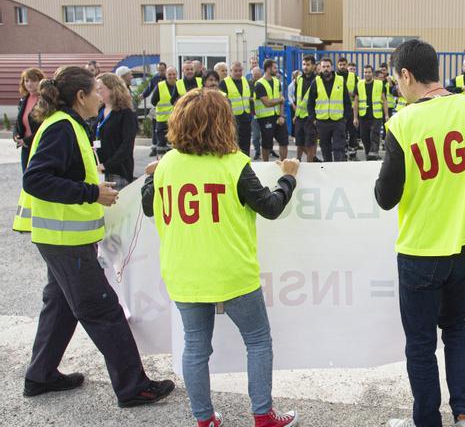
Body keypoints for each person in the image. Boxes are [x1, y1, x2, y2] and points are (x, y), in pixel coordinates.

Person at [13, 66, 175, 408]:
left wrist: (93, 188)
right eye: (96, 91)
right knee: (103, 310)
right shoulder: (63, 128)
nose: (101, 96)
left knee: (60, 307)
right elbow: (36, 179)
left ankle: (40, 376)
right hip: (64, 240)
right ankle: (133, 386)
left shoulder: (68, 125)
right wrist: (91, 193)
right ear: (81, 97)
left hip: (61, 238)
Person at [376, 40, 465, 427]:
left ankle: (427, 421)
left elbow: (385, 197)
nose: (397, 88)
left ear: (406, 75)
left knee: (421, 343)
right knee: (456, 327)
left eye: (396, 80)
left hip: (421, 249)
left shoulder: (402, 123)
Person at [141, 88, 301, 427]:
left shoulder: (167, 165)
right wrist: (289, 177)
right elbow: (271, 207)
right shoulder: (233, 164)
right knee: (257, 340)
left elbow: (147, 206)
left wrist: (149, 177)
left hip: (184, 272)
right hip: (231, 271)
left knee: (196, 347)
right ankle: (263, 415)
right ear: (223, 124)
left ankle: (205, 420)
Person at [94, 73, 138, 189]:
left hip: (118, 172)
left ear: (113, 89)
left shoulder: (126, 113)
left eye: (100, 89)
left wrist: (107, 165)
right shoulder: (100, 111)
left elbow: (127, 145)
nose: (97, 93)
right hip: (99, 170)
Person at [307, 58, 351, 162]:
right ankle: (328, 168)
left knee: (338, 148)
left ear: (332, 67)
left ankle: (337, 170)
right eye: (323, 67)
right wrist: (314, 119)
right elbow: (310, 103)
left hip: (338, 121)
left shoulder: (340, 80)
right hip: (322, 122)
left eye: (327, 66)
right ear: (320, 68)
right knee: (325, 148)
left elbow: (347, 102)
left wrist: (344, 119)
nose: (326, 69)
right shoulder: (316, 82)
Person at [254, 59, 288, 162]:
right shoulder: (259, 84)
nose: (276, 70)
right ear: (268, 69)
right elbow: (267, 103)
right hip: (265, 118)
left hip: (277, 116)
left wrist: (281, 116)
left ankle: (283, 163)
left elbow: (282, 100)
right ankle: (265, 163)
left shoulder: (277, 82)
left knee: (284, 141)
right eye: (274, 68)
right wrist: (280, 100)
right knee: (267, 143)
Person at [353, 64, 388, 161]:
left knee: (374, 135)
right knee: (364, 137)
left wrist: (386, 115)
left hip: (375, 116)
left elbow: (384, 100)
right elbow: (356, 102)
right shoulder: (359, 84)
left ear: (372, 73)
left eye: (369, 72)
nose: (367, 74)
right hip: (363, 116)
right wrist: (355, 117)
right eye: (365, 72)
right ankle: (369, 155)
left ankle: (373, 154)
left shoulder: (379, 84)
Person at [14, 67, 45, 172]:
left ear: (41, 81)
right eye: (26, 81)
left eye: (33, 80)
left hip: (40, 146)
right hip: (26, 148)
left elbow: (44, 127)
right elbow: (19, 122)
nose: (29, 84)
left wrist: (26, 140)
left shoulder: (44, 100)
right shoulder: (23, 100)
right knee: (26, 178)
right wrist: (16, 135)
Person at [220, 61, 255, 155]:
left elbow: (249, 98)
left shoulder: (245, 80)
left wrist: (251, 113)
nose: (238, 73)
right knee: (234, 146)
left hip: (246, 118)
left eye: (240, 70)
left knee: (246, 145)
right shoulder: (224, 83)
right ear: (231, 71)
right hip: (232, 119)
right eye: (236, 71)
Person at [292, 56, 319, 162]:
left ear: (313, 66)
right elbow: (297, 99)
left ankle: (311, 164)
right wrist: (295, 115)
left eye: (308, 64)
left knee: (310, 144)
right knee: (299, 143)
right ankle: (298, 161)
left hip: (311, 117)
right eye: (304, 64)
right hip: (299, 117)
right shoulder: (299, 79)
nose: (305, 67)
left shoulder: (318, 80)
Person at [151, 66, 181, 154]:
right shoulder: (160, 86)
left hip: (177, 120)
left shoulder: (180, 84)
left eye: (174, 74)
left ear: (177, 75)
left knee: (175, 146)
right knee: (161, 146)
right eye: (169, 74)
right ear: (166, 75)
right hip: (162, 121)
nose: (172, 76)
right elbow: (153, 101)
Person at [337, 58, 360, 159]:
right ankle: (343, 153)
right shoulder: (334, 76)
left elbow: (358, 92)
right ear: (338, 65)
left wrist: (352, 94)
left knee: (353, 132)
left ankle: (353, 153)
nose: (342, 66)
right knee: (342, 132)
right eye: (340, 64)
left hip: (351, 108)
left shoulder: (353, 76)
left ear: (346, 65)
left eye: (344, 64)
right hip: (338, 108)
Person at [248, 66, 263, 160]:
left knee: (266, 134)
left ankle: (269, 150)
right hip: (254, 113)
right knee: (256, 135)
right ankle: (257, 152)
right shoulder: (249, 83)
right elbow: (246, 97)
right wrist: (254, 99)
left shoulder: (263, 82)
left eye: (258, 75)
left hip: (264, 113)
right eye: (255, 75)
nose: (257, 77)